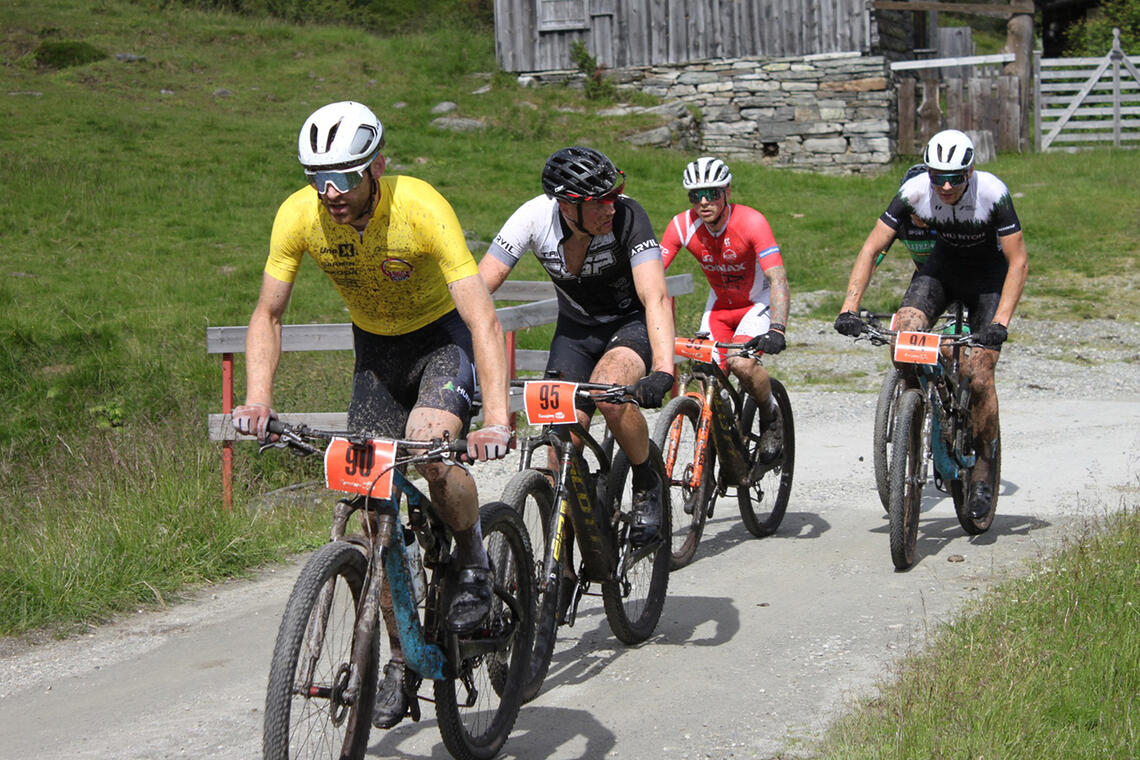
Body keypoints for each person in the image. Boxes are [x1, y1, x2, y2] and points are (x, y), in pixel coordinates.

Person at [230, 101, 512, 728]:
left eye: (345, 177)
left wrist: (496, 416)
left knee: (431, 448)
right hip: (376, 358)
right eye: (315, 179)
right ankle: (397, 656)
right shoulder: (299, 217)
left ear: (376, 166)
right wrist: (258, 398)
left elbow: (481, 318)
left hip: (441, 343)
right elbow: (268, 313)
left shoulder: (419, 207)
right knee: (369, 505)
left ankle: (471, 559)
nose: (329, 193)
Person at [479, 146, 675, 547]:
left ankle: (645, 479)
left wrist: (664, 370)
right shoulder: (532, 218)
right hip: (575, 333)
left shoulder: (630, 216)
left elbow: (654, 295)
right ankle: (562, 568)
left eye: (613, 195)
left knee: (610, 393)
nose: (611, 207)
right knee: (559, 447)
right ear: (568, 207)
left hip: (629, 325)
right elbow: (479, 288)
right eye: (599, 202)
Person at [834, 129, 1028, 520]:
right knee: (903, 330)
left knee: (978, 370)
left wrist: (1001, 323)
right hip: (943, 270)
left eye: (954, 177)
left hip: (989, 278)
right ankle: (916, 410)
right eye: (938, 176)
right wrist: (849, 307)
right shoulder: (915, 191)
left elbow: (1019, 262)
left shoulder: (993, 193)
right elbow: (873, 248)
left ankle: (984, 466)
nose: (945, 185)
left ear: (970, 172)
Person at [659, 156, 791, 456]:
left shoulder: (751, 222)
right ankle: (721, 438)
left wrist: (778, 329)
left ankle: (771, 416)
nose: (704, 202)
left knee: (740, 363)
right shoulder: (681, 226)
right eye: (696, 195)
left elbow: (778, 279)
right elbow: (652, 275)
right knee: (704, 375)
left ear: (727, 192)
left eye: (713, 193)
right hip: (718, 307)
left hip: (755, 304)